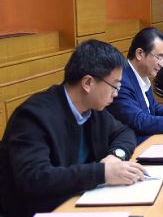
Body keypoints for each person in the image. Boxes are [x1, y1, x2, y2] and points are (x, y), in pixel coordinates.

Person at [0, 40, 144, 217]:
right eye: (115, 86)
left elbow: (124, 132)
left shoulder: (93, 109)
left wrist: (115, 156)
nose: (116, 94)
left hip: (82, 200)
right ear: (88, 83)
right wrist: (102, 173)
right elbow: (35, 178)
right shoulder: (32, 116)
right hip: (42, 210)